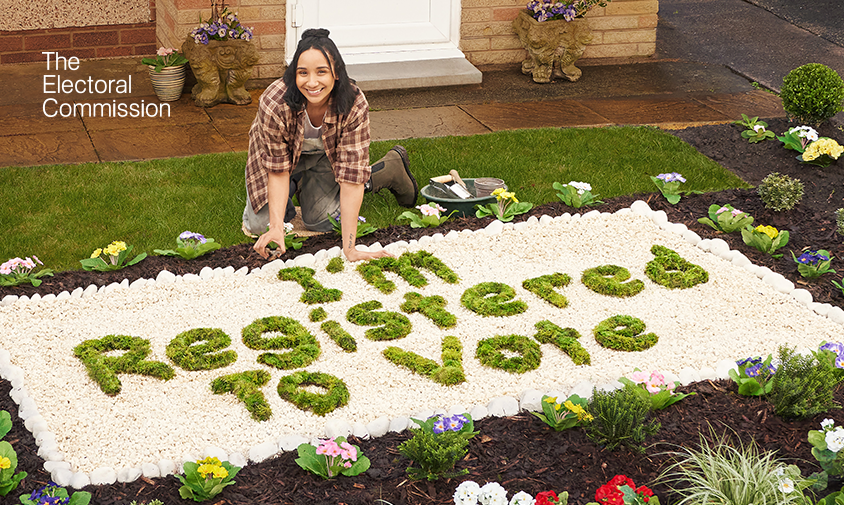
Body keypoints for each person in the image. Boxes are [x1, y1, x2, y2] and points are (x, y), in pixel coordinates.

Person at [243, 28, 418, 262]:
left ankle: (387, 171)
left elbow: (352, 175)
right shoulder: (275, 101)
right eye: (303, 72)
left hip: (325, 157)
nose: (312, 82)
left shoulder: (353, 103)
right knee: (259, 226)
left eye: (321, 72)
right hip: (279, 161)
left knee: (321, 221)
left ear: (336, 73)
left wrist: (350, 249)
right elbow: (277, 169)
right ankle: (293, 188)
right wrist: (275, 227)